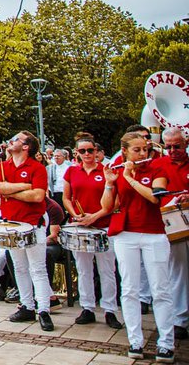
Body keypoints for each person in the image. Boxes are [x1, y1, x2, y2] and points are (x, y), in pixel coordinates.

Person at [102, 130, 175, 362]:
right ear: (125, 151)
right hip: (126, 234)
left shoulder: (157, 168)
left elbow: (155, 197)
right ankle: (135, 341)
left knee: (160, 289)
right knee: (130, 289)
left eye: (145, 149)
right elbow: (107, 206)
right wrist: (110, 184)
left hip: (154, 233)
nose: (143, 153)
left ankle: (166, 343)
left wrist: (130, 177)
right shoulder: (117, 170)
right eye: (137, 150)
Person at [0, 130, 54, 331]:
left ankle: (43, 309)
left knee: (37, 268)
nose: (11, 141)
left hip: (33, 223)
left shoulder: (37, 168)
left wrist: (9, 191)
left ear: (26, 146)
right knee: (19, 267)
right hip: (11, 224)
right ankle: (27, 305)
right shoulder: (3, 166)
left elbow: (37, 196)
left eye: (16, 139)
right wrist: (22, 187)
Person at [62, 136, 122, 328]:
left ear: (96, 151)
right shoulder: (71, 170)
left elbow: (115, 201)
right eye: (82, 151)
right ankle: (87, 307)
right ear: (76, 153)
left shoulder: (106, 170)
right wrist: (76, 215)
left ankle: (110, 309)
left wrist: (94, 216)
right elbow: (66, 197)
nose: (87, 154)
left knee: (107, 270)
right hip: (80, 225)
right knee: (83, 269)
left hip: (103, 224)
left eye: (90, 150)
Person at [158, 126, 188, 340]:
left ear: (185, 143)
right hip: (173, 224)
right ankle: (179, 319)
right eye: (168, 147)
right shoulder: (159, 165)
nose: (172, 150)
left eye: (176, 146)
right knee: (177, 273)